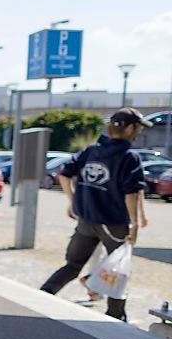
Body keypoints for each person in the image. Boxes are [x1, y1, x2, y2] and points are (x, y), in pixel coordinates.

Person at [41, 107, 150, 321]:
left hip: (86, 220)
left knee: (72, 265)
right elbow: (130, 193)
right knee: (118, 269)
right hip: (113, 222)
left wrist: (74, 202)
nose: (139, 133)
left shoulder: (92, 151)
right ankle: (115, 316)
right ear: (129, 128)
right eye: (138, 128)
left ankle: (42, 295)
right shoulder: (129, 156)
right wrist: (134, 225)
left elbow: (64, 174)